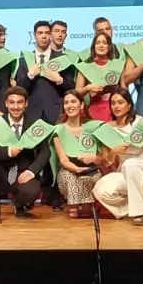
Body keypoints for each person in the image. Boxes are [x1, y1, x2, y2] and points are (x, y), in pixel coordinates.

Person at [92, 87, 143, 226]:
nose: (116, 106)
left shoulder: (140, 124)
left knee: (131, 164)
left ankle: (141, 213)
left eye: (120, 102)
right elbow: (106, 162)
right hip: (124, 173)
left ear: (129, 105)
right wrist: (114, 152)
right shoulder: (107, 129)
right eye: (113, 103)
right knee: (100, 190)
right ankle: (134, 207)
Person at [0, 86, 53, 224]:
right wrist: (7, 151)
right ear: (6, 104)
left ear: (26, 104)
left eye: (19, 102)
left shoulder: (35, 124)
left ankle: (19, 205)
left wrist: (32, 171)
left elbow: (45, 151)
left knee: (32, 190)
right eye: (12, 102)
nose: (16, 107)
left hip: (23, 172)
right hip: (2, 171)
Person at [52, 90, 104, 218]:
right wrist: (77, 170)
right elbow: (63, 161)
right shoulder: (58, 130)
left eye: (73, 102)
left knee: (87, 212)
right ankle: (74, 206)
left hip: (91, 171)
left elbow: (103, 160)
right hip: (69, 171)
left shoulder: (94, 127)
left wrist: (94, 159)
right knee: (71, 177)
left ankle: (87, 206)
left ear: (81, 105)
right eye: (66, 103)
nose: (70, 105)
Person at [17, 20, 70, 123]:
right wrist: (30, 75)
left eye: (47, 33)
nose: (44, 36)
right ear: (34, 36)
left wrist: (59, 80)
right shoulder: (25, 59)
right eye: (40, 33)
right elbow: (19, 87)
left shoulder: (62, 58)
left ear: (51, 35)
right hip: (31, 112)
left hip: (56, 112)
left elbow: (72, 85)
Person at [75, 31, 131, 123]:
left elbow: (124, 89)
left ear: (109, 46)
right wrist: (88, 88)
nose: (101, 45)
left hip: (115, 110)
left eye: (104, 43)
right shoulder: (85, 66)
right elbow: (76, 93)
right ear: (94, 46)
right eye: (98, 43)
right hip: (94, 111)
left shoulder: (118, 65)